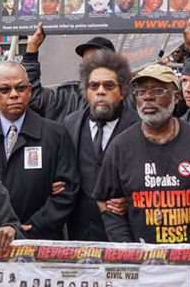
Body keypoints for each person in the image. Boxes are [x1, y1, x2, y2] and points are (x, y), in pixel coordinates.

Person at [94, 64, 190, 244]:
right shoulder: (121, 146)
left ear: (176, 97)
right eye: (140, 91)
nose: (148, 97)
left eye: (158, 91)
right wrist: (128, 248)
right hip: (143, 264)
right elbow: (105, 203)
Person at [0, 61, 79, 240]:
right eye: (5, 89)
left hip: (40, 240)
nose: (13, 95)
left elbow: (68, 191)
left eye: (20, 88)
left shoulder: (55, 135)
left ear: (29, 90)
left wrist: (35, 225)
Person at [62, 51, 140, 241]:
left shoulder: (139, 127)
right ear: (85, 91)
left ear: (122, 92)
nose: (100, 91)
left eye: (109, 85)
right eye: (93, 85)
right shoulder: (70, 124)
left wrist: (131, 201)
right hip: (78, 235)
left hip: (124, 236)